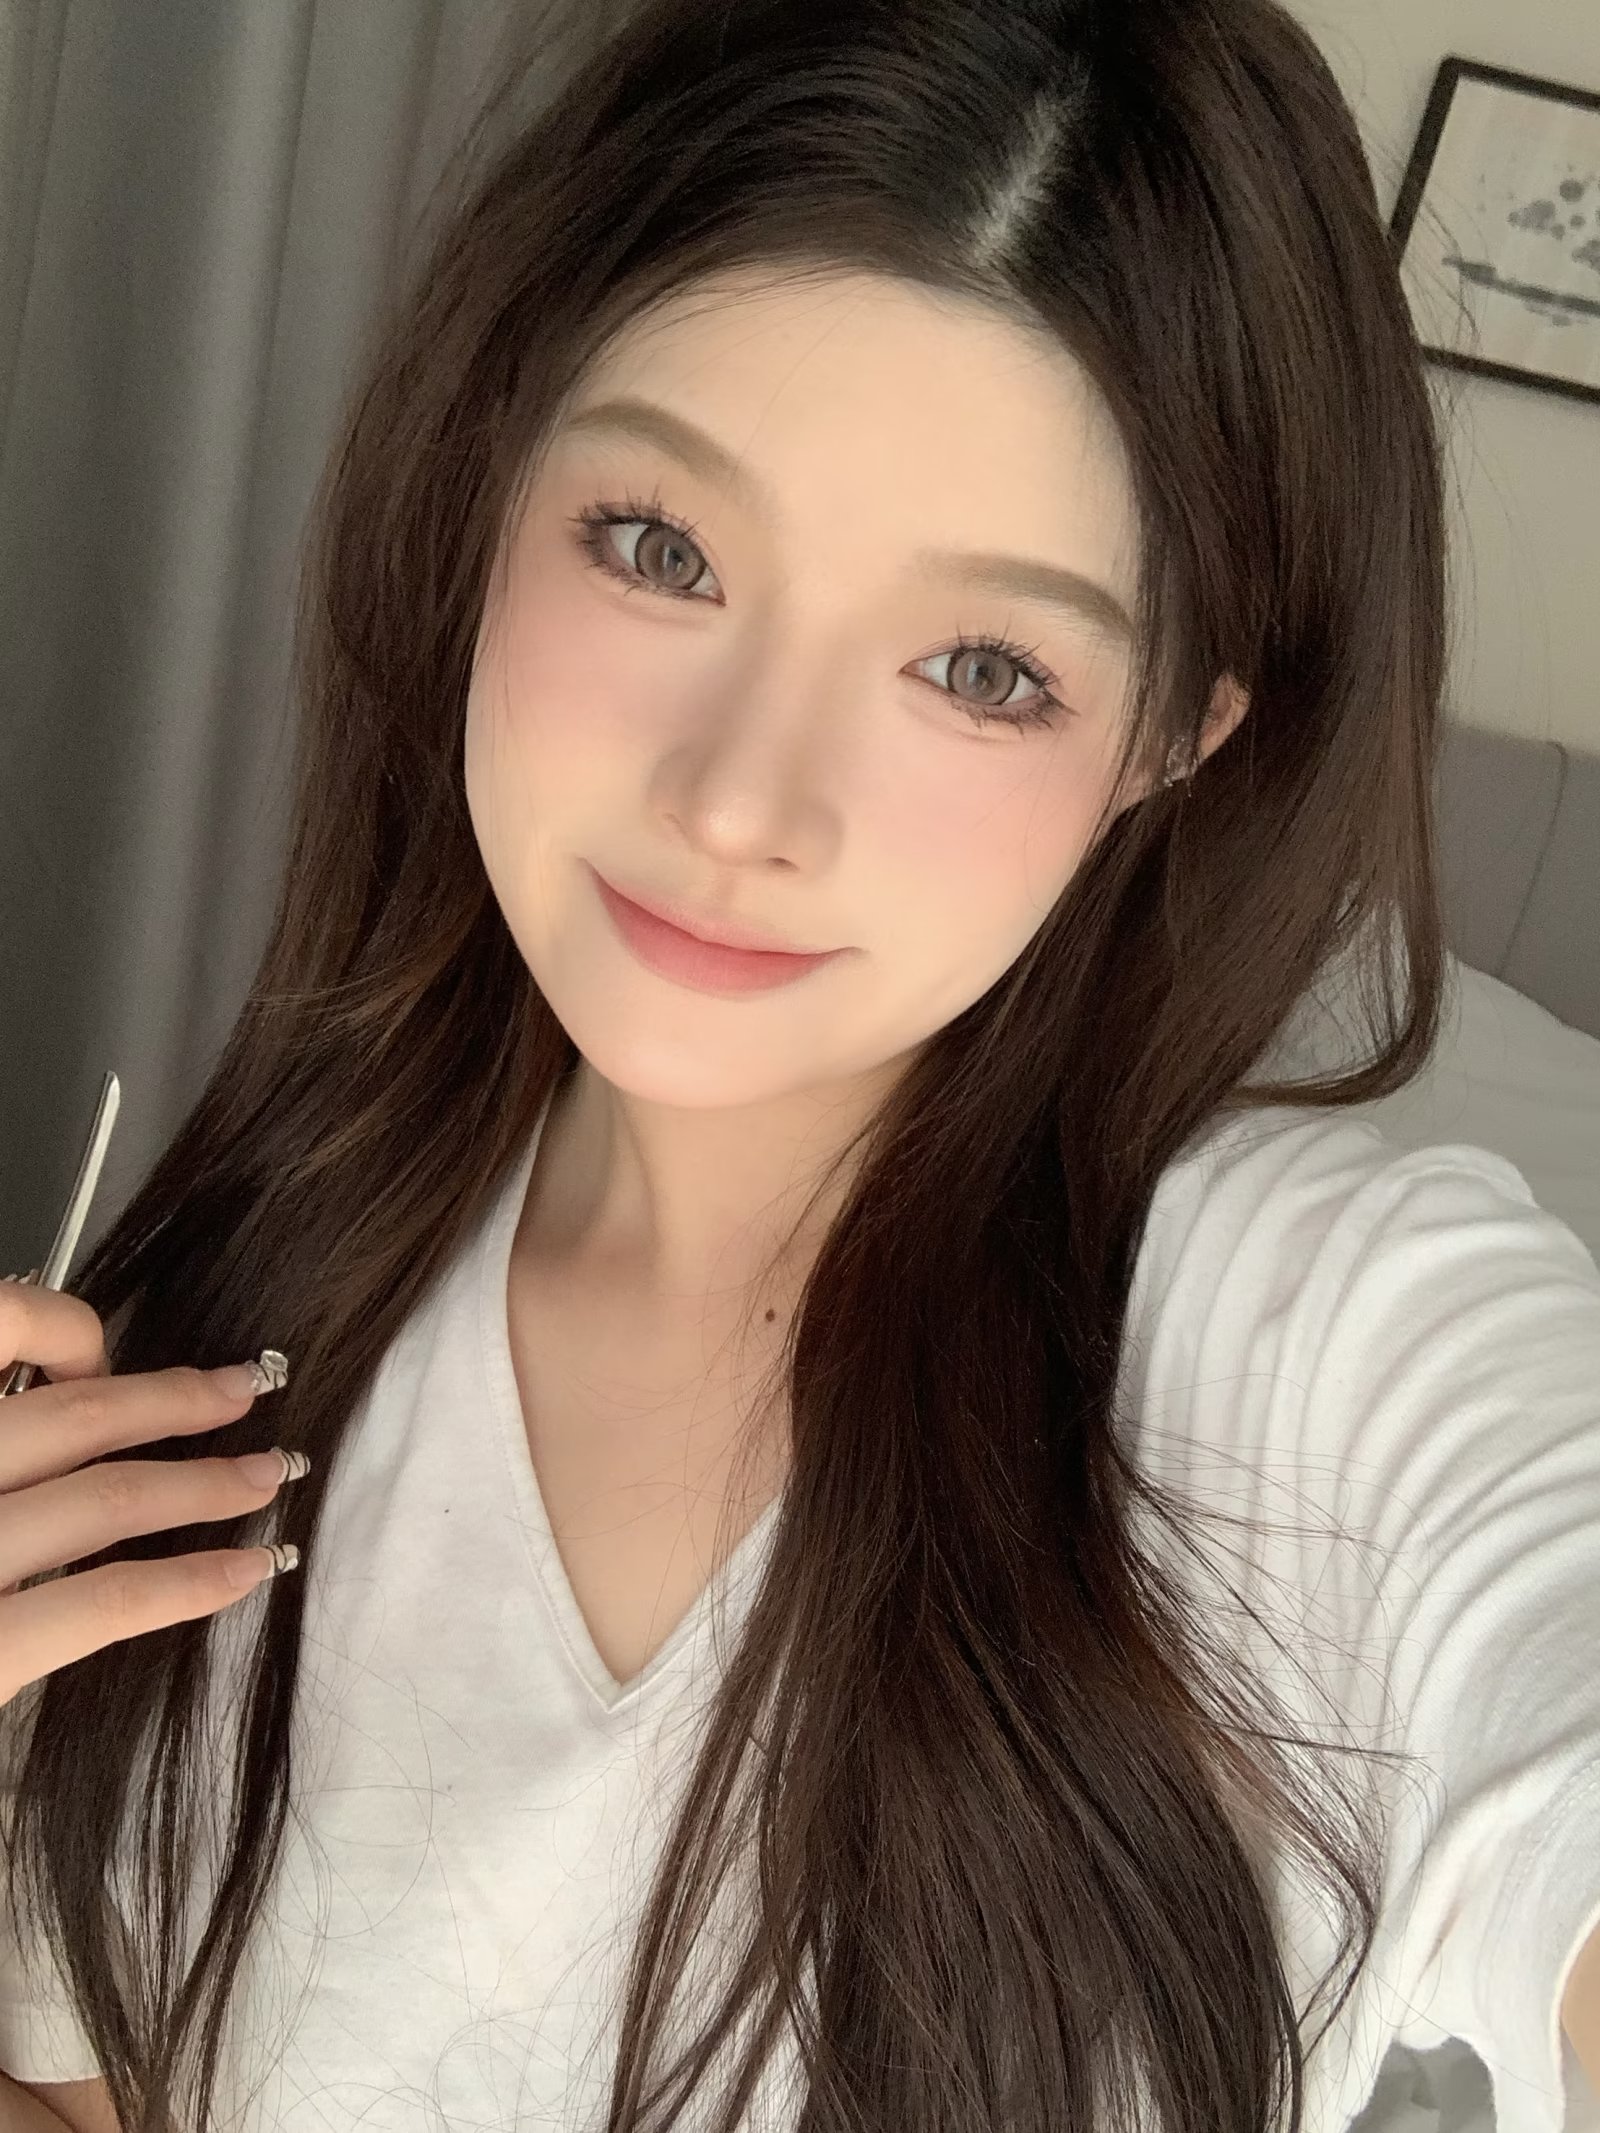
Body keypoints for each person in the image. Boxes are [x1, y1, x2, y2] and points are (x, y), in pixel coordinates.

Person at [2, 0, 1598, 2129]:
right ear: (493, 485)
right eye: (660, 547)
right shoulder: (236, 1305)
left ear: (1170, 737)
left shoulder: (1323, 1357)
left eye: (981, 666)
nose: (742, 799)